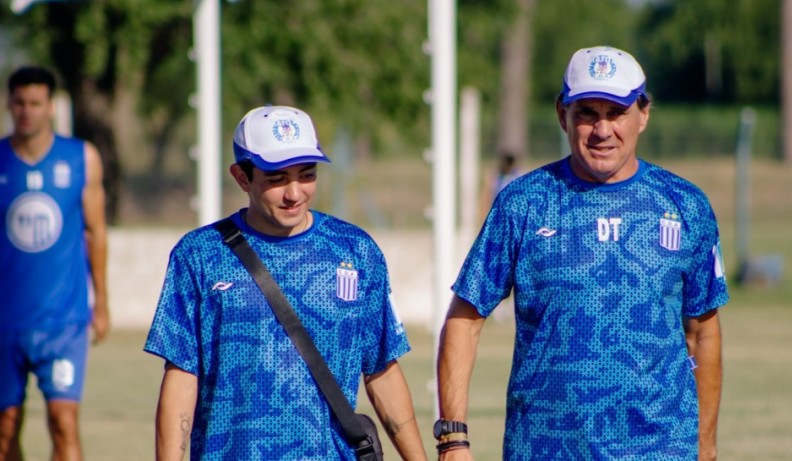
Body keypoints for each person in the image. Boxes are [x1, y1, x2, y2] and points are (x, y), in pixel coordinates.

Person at [435, 46, 728, 461]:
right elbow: (465, 321)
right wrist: (453, 438)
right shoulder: (524, 202)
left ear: (643, 115)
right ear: (562, 115)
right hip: (543, 448)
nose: (602, 129)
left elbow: (703, 334)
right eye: (587, 112)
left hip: (659, 448)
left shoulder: (685, 205)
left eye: (616, 112)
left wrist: (706, 446)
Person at [144, 105, 428, 460]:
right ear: (241, 177)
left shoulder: (357, 251)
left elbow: (382, 369)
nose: (294, 193)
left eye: (306, 175)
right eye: (277, 179)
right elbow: (182, 374)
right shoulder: (199, 255)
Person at [0, 66, 109, 460]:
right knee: (5, 428)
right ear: (9, 104)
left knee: (63, 422)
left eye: (35, 103)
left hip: (63, 322)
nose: (27, 111)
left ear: (51, 106)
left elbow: (96, 232)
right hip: (5, 322)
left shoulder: (81, 158)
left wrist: (103, 303)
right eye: (19, 103)